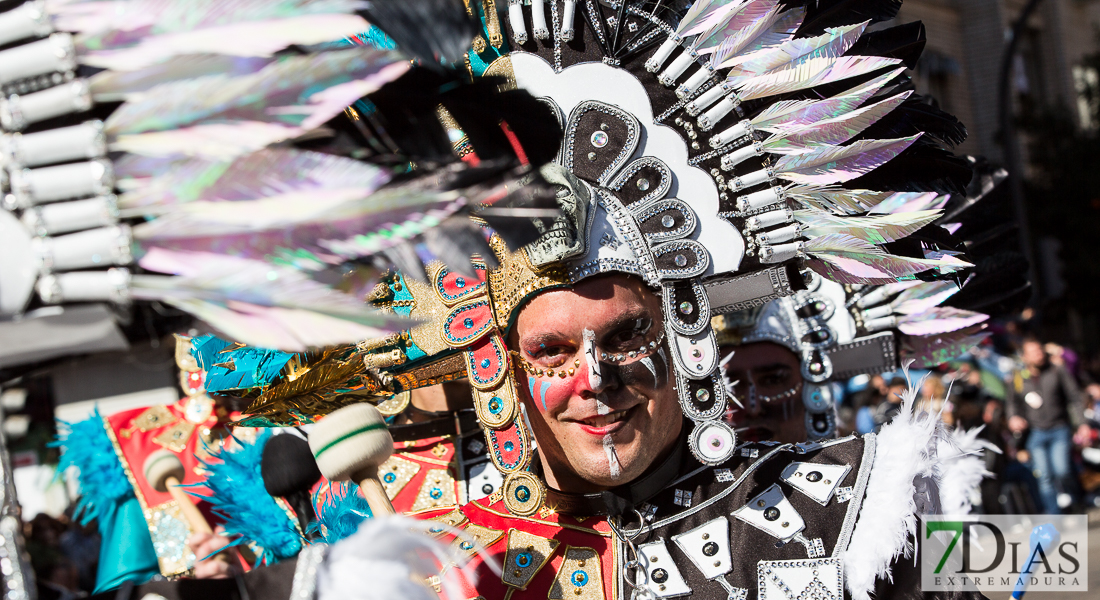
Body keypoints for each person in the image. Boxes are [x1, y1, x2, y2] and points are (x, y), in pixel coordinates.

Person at [1006, 338, 1089, 513]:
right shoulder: (1019, 378)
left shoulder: (1057, 371)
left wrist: (1082, 424)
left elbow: (1074, 396)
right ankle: (1054, 515)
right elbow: (1012, 403)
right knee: (1044, 476)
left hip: (1059, 428)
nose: (1039, 354)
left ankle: (1077, 502)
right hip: (1035, 433)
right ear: (1025, 357)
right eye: (1034, 352)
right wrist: (1013, 418)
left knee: (1062, 470)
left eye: (1040, 350)